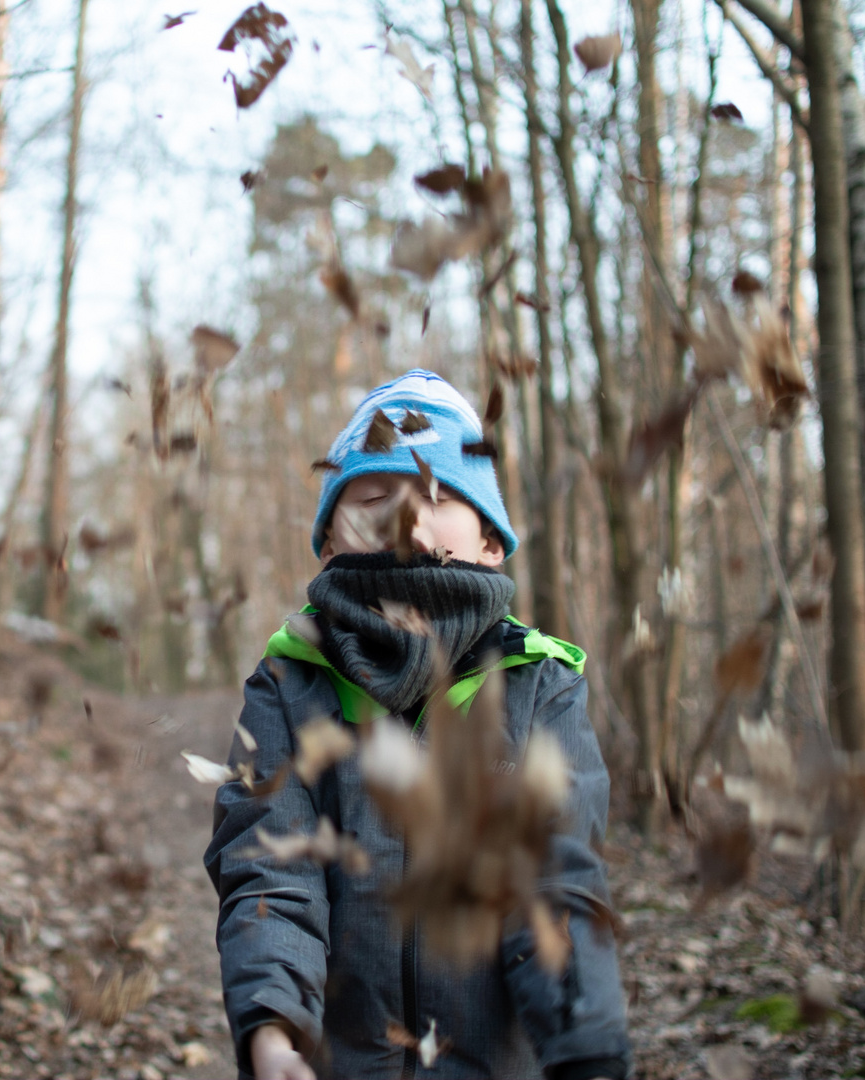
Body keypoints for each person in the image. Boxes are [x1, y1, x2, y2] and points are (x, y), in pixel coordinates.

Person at [204, 371, 630, 1080]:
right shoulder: (288, 682)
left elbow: (556, 882)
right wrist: (272, 1028)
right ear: (330, 548)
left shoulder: (537, 687)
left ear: (492, 541)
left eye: (436, 494)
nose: (405, 516)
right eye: (372, 498)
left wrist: (585, 1048)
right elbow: (270, 870)